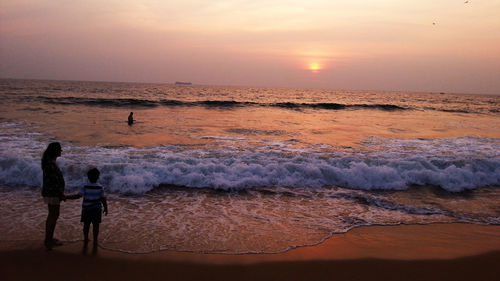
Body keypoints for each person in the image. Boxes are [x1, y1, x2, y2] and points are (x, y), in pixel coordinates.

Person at [66, 168, 108, 248]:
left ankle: (86, 238)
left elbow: (78, 196)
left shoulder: (85, 186)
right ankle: (95, 239)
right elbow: (103, 198)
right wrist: (106, 208)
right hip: (96, 209)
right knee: (96, 225)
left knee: (86, 225)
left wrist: (67, 197)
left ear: (88, 177)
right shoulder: (100, 187)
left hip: (86, 209)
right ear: (98, 177)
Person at [41, 142, 65, 250]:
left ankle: (49, 238)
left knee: (52, 215)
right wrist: (61, 193)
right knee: (53, 215)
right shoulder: (50, 164)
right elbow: (53, 181)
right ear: (55, 151)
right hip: (52, 192)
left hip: (50, 192)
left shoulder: (50, 162)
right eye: (59, 149)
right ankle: (48, 239)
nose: (61, 151)